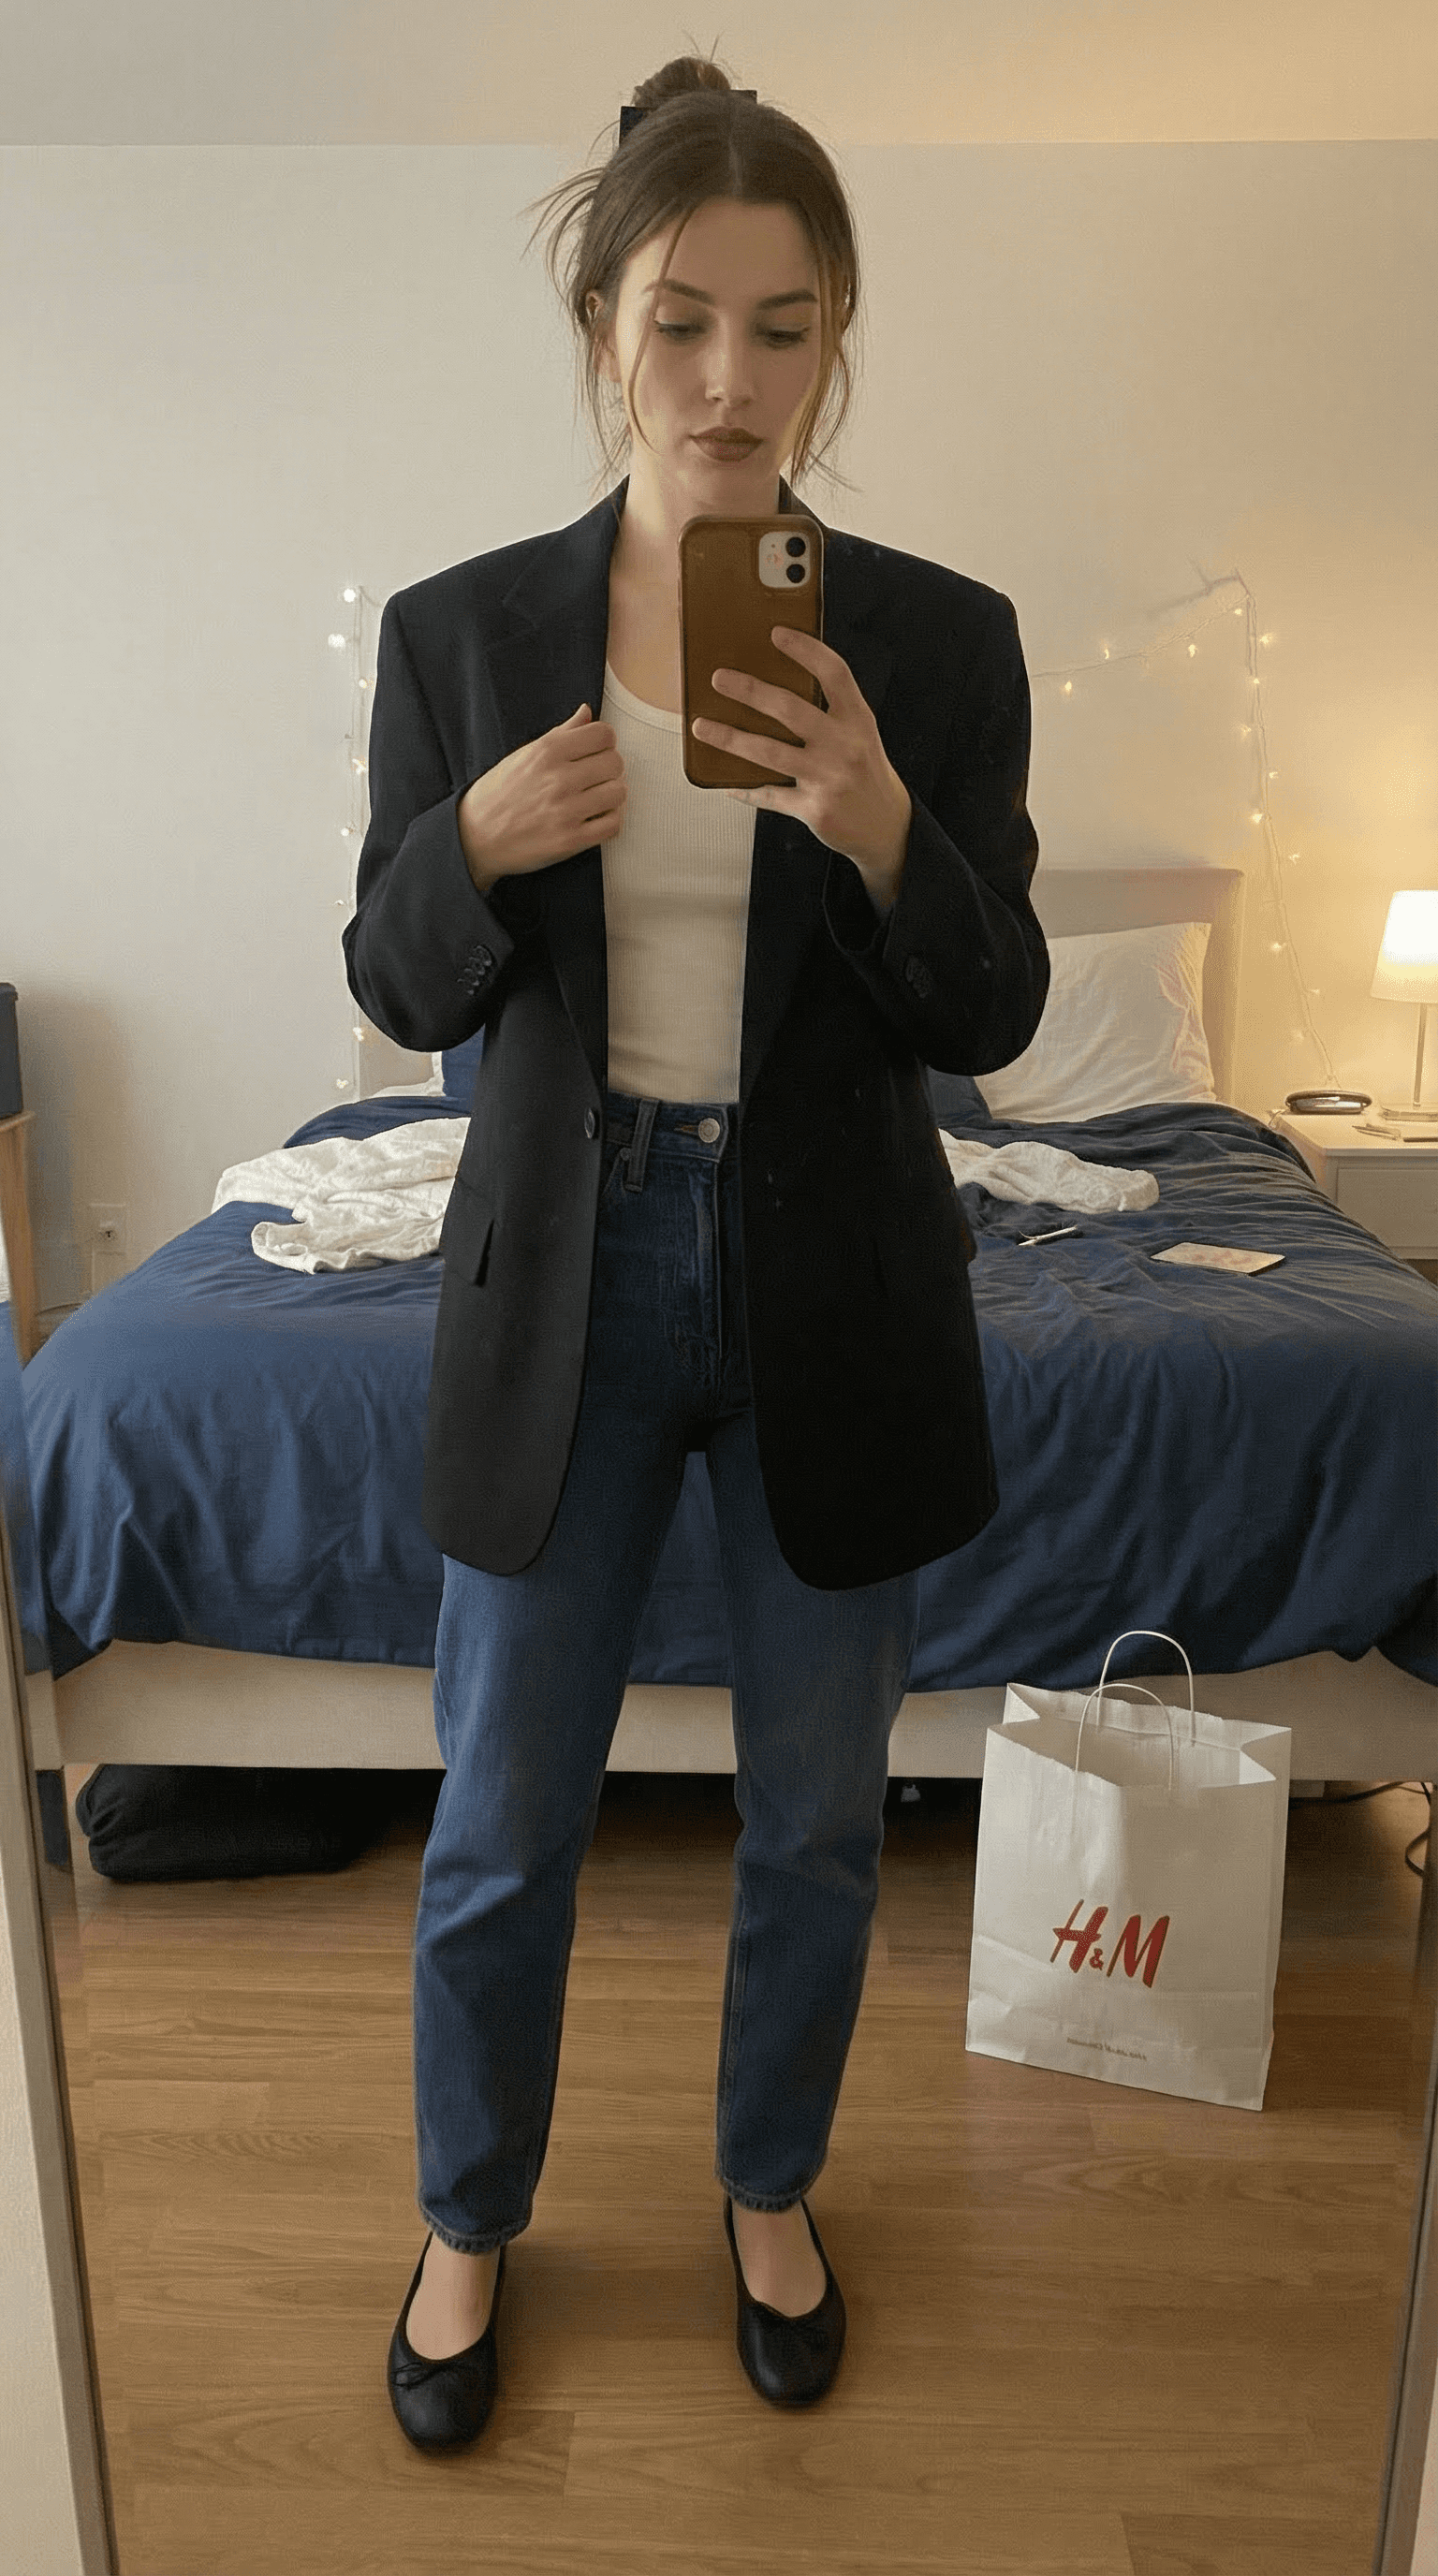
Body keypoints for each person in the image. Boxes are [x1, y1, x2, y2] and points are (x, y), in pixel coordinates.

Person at [344, 53, 1049, 2454]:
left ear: (836, 339)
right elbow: (397, 980)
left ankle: (768, 2186)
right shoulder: (464, 636)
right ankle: (468, 2214)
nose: (730, 380)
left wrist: (881, 824)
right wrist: (470, 837)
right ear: (604, 326)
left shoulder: (934, 645)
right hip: (570, 1271)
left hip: (831, 1276)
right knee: (501, 1816)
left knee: (820, 1817)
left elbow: (991, 1011)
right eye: (680, 322)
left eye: (783, 327)